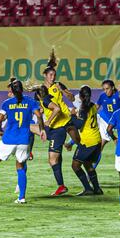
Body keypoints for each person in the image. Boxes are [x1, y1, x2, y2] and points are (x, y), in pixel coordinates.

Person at [0, 80, 46, 204]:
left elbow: (0, 119)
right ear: (22, 89)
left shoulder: (7, 103)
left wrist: (0, 130)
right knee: (20, 167)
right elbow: (38, 115)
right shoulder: (30, 102)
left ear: (12, 90)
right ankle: (21, 197)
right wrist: (42, 129)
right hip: (24, 140)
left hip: (9, 139)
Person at [40, 49, 81, 196]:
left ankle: (62, 185)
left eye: (54, 75)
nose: (53, 77)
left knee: (53, 159)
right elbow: (40, 106)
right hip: (54, 125)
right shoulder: (42, 90)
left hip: (62, 122)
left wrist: (67, 93)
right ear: (44, 75)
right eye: (50, 74)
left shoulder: (58, 85)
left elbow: (70, 98)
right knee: (58, 155)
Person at [71, 85, 104, 196]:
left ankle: (87, 188)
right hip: (97, 140)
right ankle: (97, 188)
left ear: (80, 96)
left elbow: (79, 125)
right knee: (87, 164)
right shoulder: (93, 105)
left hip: (88, 142)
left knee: (75, 165)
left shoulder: (83, 109)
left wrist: (73, 116)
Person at [93, 79, 120, 168]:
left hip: (109, 124)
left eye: (107, 89)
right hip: (101, 117)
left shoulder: (118, 95)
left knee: (100, 146)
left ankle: (91, 171)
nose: (105, 91)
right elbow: (97, 107)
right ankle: (70, 143)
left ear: (112, 88)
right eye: (104, 89)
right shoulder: (102, 96)